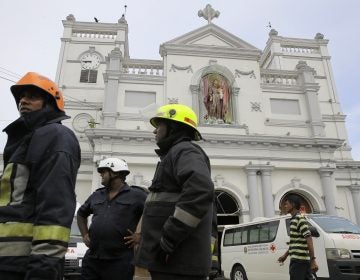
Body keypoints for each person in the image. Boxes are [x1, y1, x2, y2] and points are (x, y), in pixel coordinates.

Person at [0, 72, 81, 280]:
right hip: (9, 260)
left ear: (50, 103)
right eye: (21, 97)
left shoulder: (55, 136)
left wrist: (44, 267)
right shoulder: (25, 139)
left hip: (24, 264)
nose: (23, 101)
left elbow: (56, 204)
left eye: (32, 96)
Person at [134, 103, 215, 280]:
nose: (154, 132)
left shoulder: (185, 151)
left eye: (159, 126)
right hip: (172, 263)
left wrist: (168, 240)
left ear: (173, 128)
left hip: (178, 263)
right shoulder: (174, 155)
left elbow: (200, 190)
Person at [77, 157, 146, 280]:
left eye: (103, 172)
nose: (101, 175)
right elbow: (81, 214)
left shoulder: (137, 195)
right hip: (93, 259)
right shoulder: (97, 195)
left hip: (120, 261)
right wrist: (84, 234)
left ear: (115, 173)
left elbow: (152, 214)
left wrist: (141, 235)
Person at [277, 195, 319, 280]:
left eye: (286, 204)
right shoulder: (293, 220)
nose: (285, 206)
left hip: (299, 262)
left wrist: (313, 260)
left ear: (292, 205)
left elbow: (309, 238)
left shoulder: (300, 219)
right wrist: (285, 256)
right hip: (299, 260)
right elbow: (294, 242)